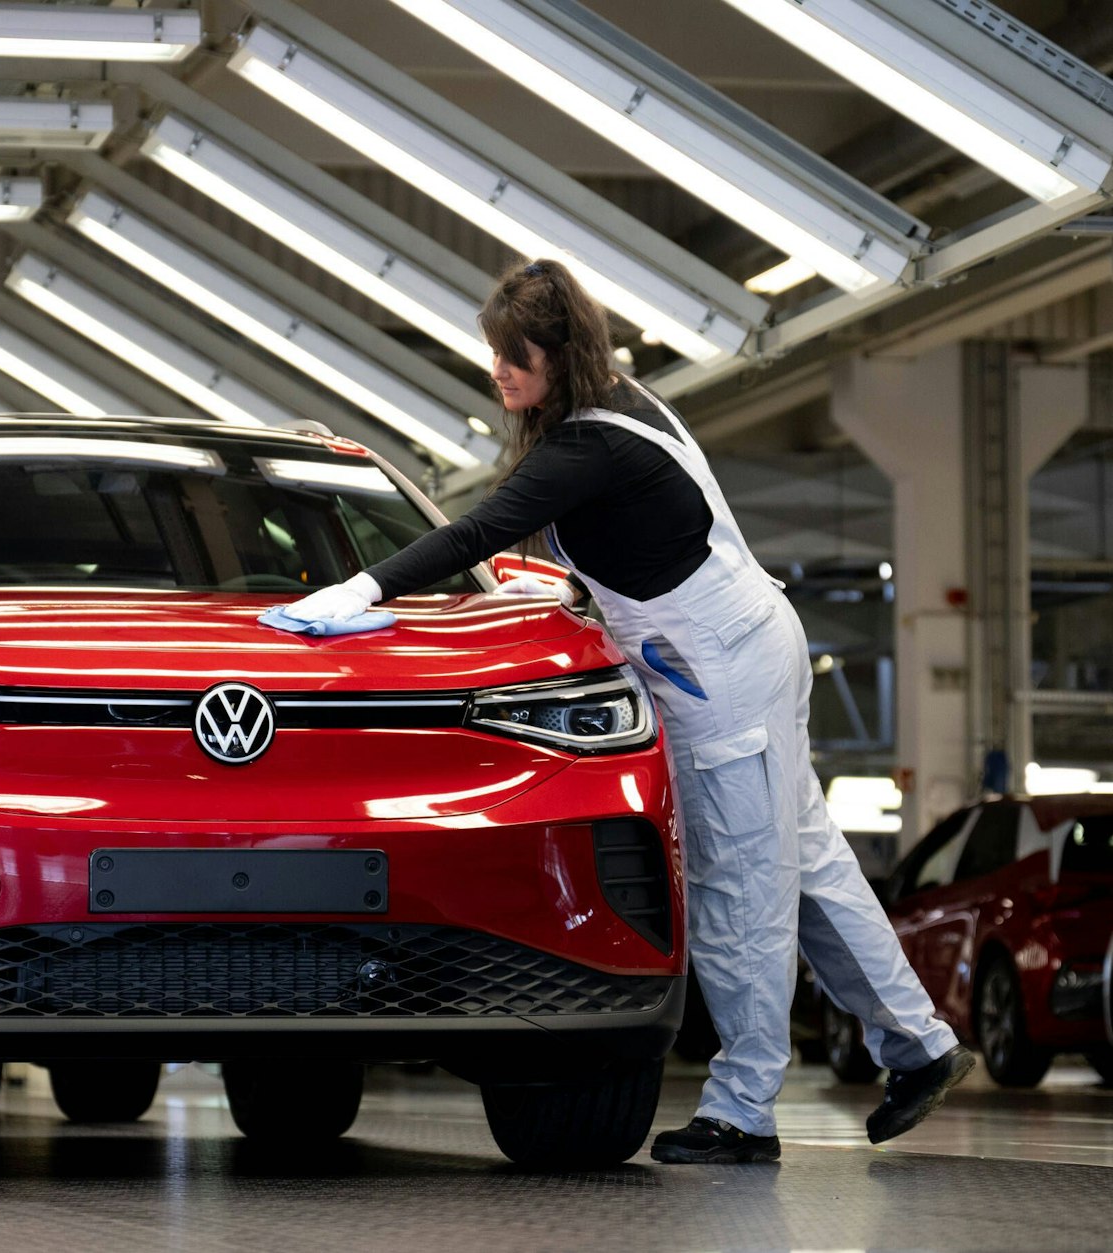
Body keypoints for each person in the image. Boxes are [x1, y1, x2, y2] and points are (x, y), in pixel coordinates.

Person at [284, 260, 973, 1165]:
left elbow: (477, 533)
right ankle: (918, 1045)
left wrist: (363, 589)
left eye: (514, 354)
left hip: (718, 669)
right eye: (494, 352)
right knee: (806, 865)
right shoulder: (619, 404)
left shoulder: (589, 445)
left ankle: (745, 1110)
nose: (499, 371)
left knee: (740, 888)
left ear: (559, 352)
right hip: (737, 650)